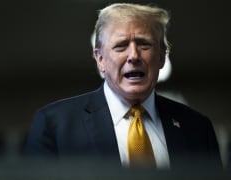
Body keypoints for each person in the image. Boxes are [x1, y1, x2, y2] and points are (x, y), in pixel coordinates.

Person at [25, 3, 222, 170]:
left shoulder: (197, 128)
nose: (134, 56)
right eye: (121, 46)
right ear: (100, 59)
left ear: (161, 57)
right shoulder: (55, 125)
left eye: (144, 44)